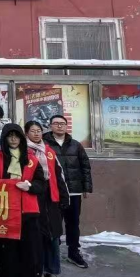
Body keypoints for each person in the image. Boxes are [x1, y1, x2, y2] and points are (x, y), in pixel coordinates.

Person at [0, 124, 46, 277]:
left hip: (28, 212)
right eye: (10, 136)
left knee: (29, 250)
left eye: (16, 136)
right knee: (7, 252)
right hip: (5, 211)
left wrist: (30, 186)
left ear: (21, 138)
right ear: (4, 138)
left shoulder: (32, 159)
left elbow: (41, 184)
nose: (13, 139)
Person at [43, 114, 91, 269]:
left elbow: (85, 166)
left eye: (62, 123)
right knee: (53, 223)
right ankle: (53, 255)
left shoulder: (76, 145)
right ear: (50, 126)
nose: (59, 126)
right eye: (56, 123)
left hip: (74, 191)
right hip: (53, 192)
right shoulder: (44, 144)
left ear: (66, 126)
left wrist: (86, 187)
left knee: (73, 223)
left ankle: (73, 252)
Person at [26, 121, 70, 277]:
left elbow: (59, 175)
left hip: (50, 197)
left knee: (53, 233)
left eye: (39, 130)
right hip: (33, 196)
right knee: (37, 234)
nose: (36, 133)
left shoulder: (49, 151)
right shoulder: (24, 151)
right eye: (33, 131)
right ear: (26, 134)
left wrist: (64, 196)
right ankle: (38, 267)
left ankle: (52, 269)